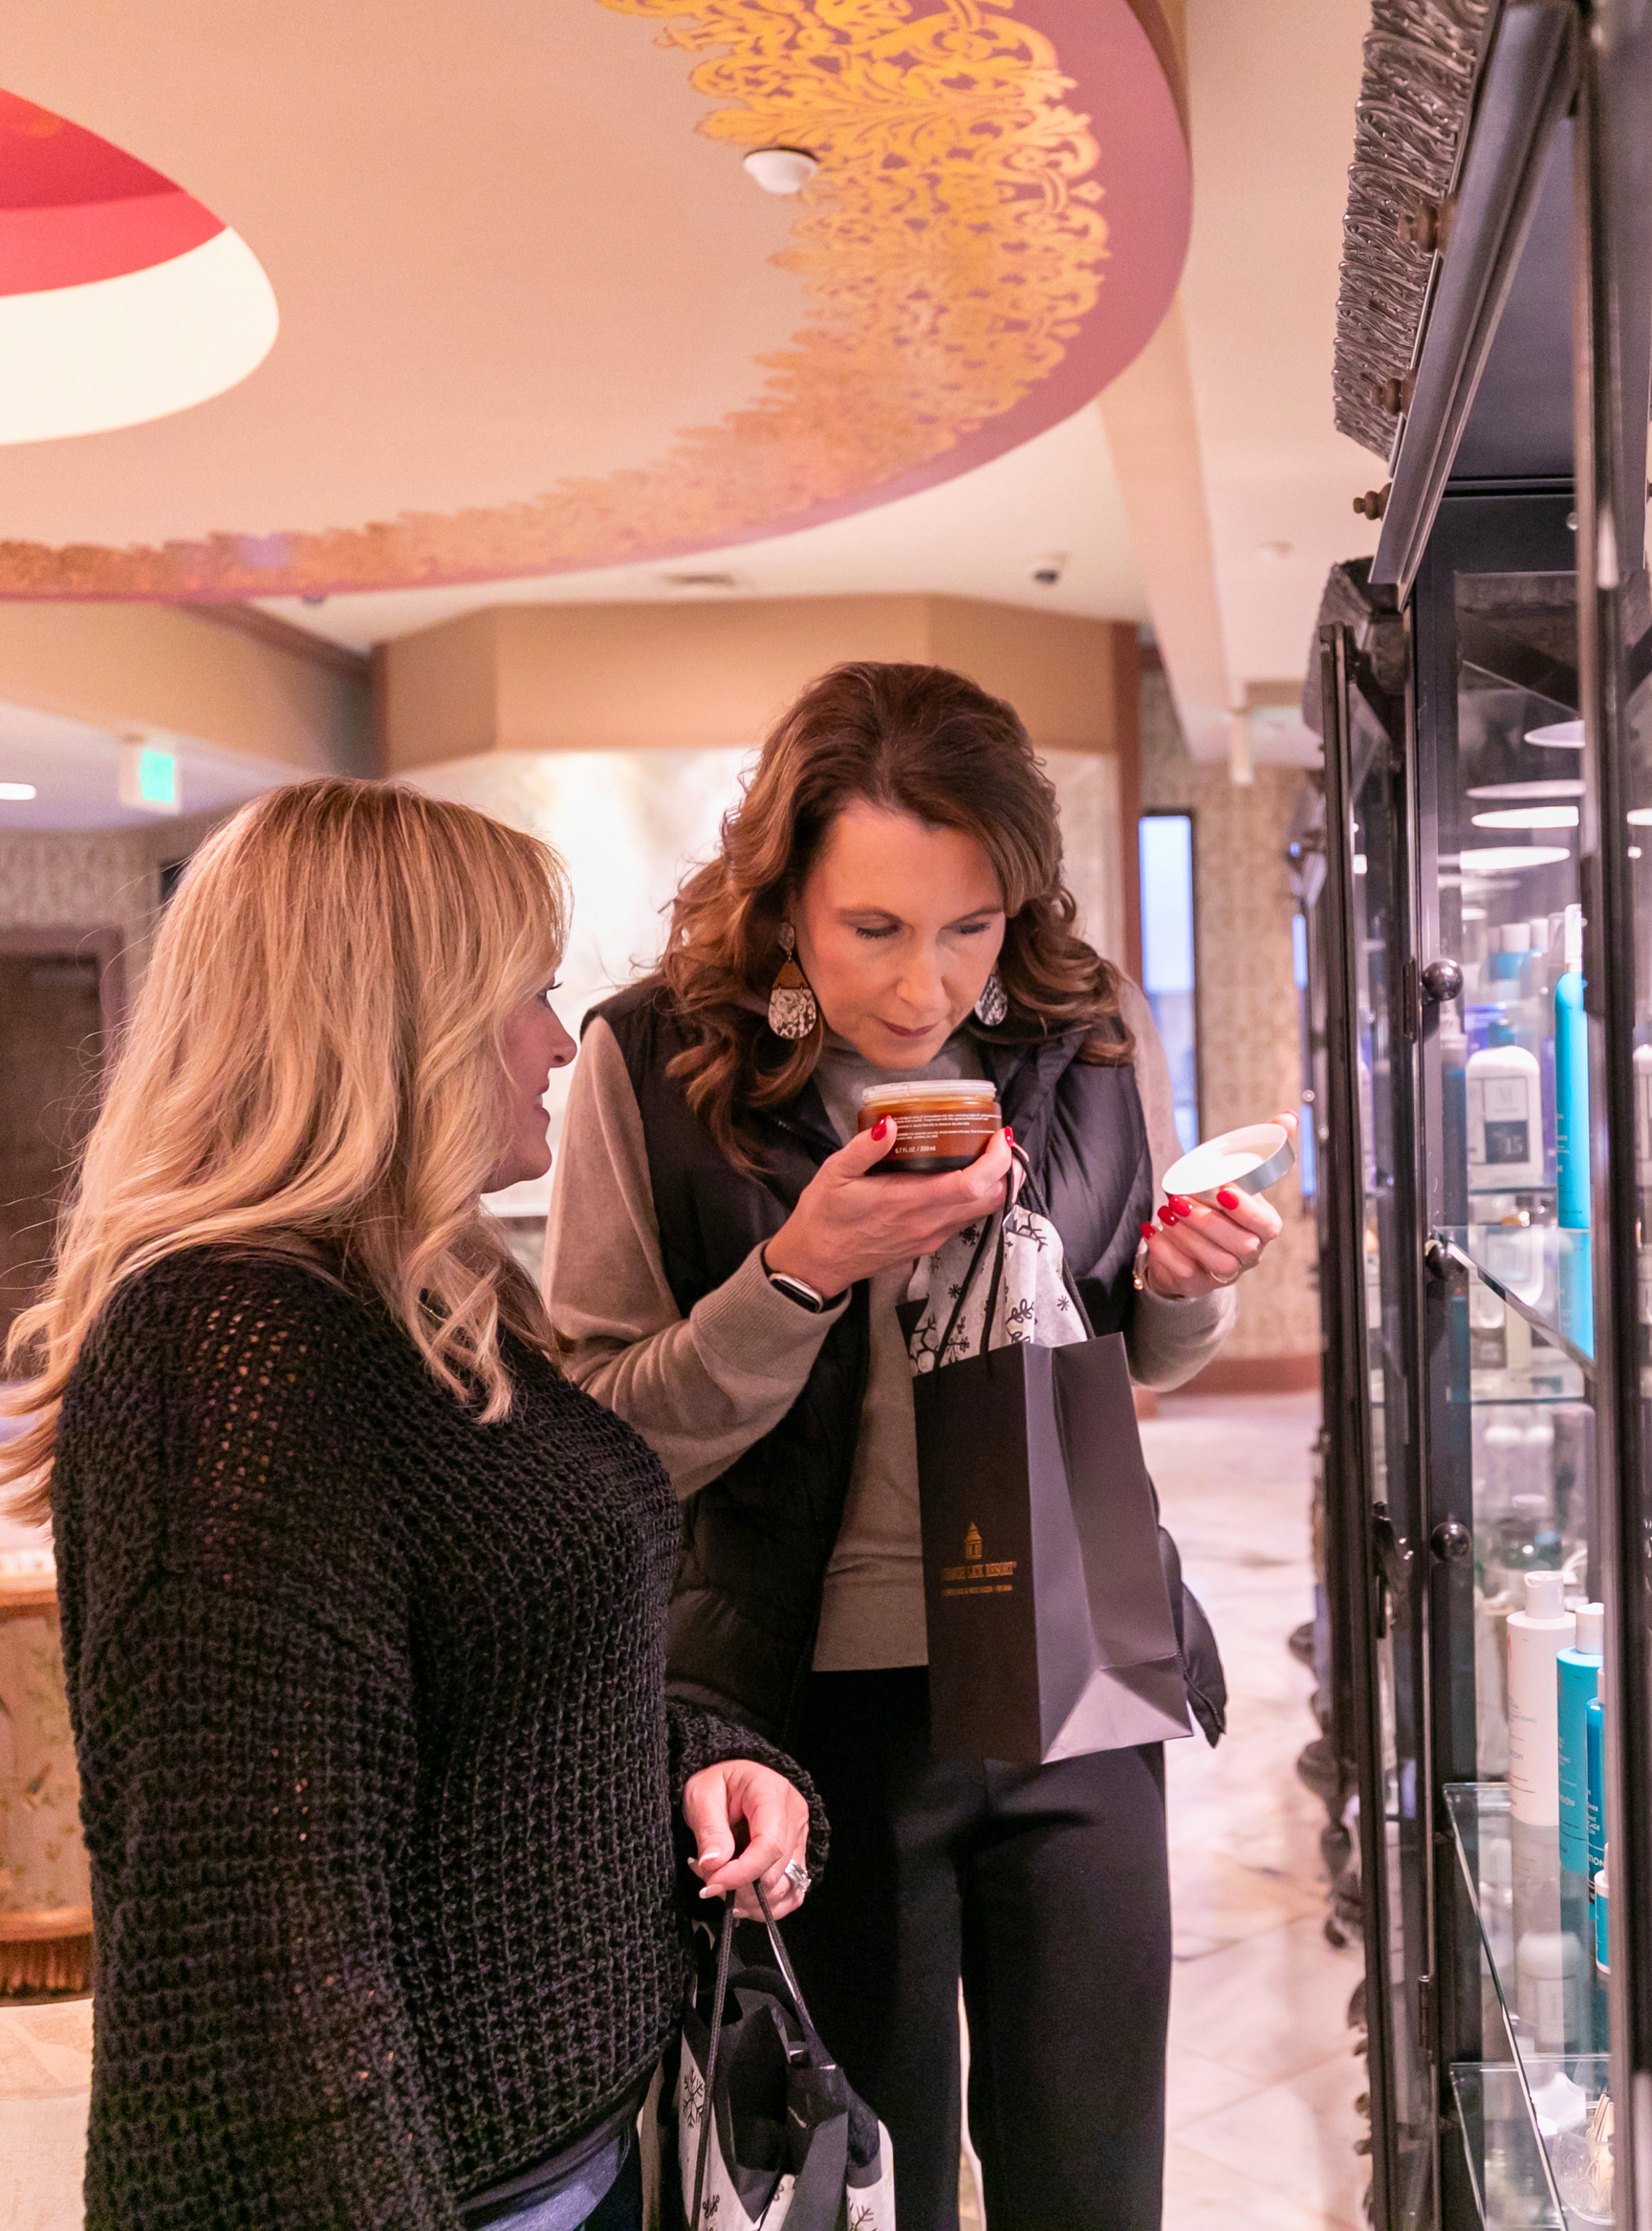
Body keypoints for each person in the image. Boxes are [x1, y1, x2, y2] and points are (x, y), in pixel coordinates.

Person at [0, 779, 821, 2231]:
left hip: (575, 2146)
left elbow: (477, 1683)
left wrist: (697, 1756)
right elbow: (260, 1946)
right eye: (529, 994)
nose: (562, 1042)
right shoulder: (232, 1351)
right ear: (397, 1021)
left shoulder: (421, 1294)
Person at [546, 661, 1282, 2231]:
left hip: (1074, 1669)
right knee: (861, 2194)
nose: (925, 983)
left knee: (1095, 2190)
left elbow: (1126, 1346)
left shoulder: (1087, 1034)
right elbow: (604, 1439)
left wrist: (1185, 1290)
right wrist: (799, 1270)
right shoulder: (653, 1065)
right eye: (874, 927)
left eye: (971, 925)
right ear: (783, 890)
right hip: (806, 1712)